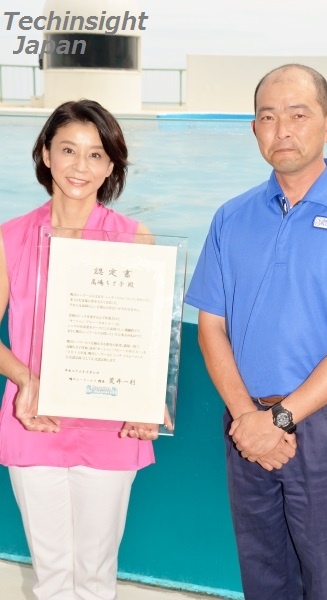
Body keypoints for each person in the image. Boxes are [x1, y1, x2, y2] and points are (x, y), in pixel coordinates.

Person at [185, 64, 327, 600]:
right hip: (246, 424)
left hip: (325, 429)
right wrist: (247, 418)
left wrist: (278, 420)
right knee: (263, 578)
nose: (282, 129)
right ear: (253, 129)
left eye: (298, 115)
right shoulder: (231, 218)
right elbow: (211, 327)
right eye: (267, 116)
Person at [0, 99, 171, 600]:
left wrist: (146, 400)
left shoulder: (134, 238)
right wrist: (24, 378)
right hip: (34, 418)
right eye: (69, 150)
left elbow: (148, 339)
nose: (81, 166)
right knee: (52, 577)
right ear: (46, 155)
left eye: (96, 155)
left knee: (96, 576)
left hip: (110, 424)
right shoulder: (9, 238)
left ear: (111, 164)